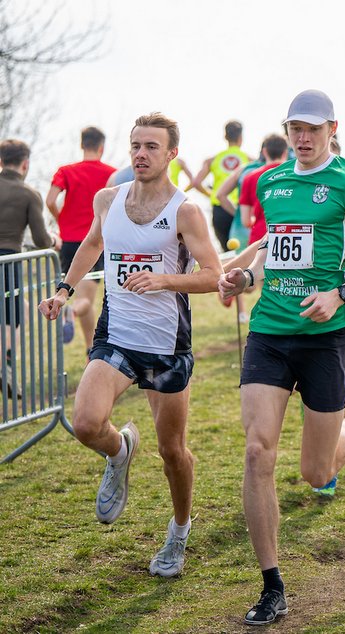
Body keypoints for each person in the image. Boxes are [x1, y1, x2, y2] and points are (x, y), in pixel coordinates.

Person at [218, 89, 345, 626]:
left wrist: (341, 293)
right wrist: (245, 276)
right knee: (257, 452)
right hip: (269, 332)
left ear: (331, 130)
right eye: (295, 128)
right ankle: (272, 585)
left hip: (326, 336)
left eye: (312, 129)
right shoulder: (271, 181)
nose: (302, 138)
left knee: (316, 472)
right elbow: (274, 248)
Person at [37, 112, 223, 577]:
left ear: (172, 154)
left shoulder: (185, 211)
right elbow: (91, 245)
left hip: (166, 345)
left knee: (172, 453)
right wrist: (63, 290)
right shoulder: (108, 199)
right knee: (85, 424)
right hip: (116, 335)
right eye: (136, 145)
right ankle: (119, 451)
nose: (141, 154)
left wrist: (164, 279)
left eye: (152, 147)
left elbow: (213, 276)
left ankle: (178, 532)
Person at [46, 126, 116, 352]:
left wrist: (61, 219)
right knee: (85, 300)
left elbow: (50, 200)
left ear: (81, 144)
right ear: (101, 147)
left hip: (69, 242)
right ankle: (71, 312)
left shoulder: (66, 171)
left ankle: (88, 349)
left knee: (72, 290)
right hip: (96, 241)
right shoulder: (112, 174)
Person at [0, 139, 53, 396]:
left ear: (1, 161)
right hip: (7, 260)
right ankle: (4, 366)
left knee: (20, 308)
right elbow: (42, 239)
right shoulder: (29, 194)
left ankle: (6, 367)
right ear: (25, 164)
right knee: (13, 315)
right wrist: (54, 241)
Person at [191, 120, 250, 251]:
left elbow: (196, 183)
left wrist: (211, 195)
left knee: (225, 251)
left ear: (225, 137)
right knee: (243, 251)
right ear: (241, 137)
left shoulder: (212, 159)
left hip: (219, 209)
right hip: (240, 210)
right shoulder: (250, 160)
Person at [238, 135, 289, 246]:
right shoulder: (294, 176)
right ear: (285, 152)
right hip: (289, 238)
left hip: (259, 238)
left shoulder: (250, 177)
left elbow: (245, 221)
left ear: (264, 152)